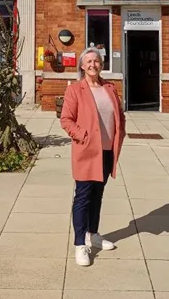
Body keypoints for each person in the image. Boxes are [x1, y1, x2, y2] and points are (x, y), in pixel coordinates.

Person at [60, 47, 126, 267]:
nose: (93, 64)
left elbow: (119, 115)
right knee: (83, 197)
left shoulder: (109, 88)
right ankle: (80, 244)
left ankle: (93, 234)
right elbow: (66, 119)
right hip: (87, 151)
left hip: (107, 151)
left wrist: (120, 133)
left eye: (96, 61)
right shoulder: (75, 90)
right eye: (88, 61)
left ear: (101, 64)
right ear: (82, 66)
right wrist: (83, 136)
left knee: (98, 194)